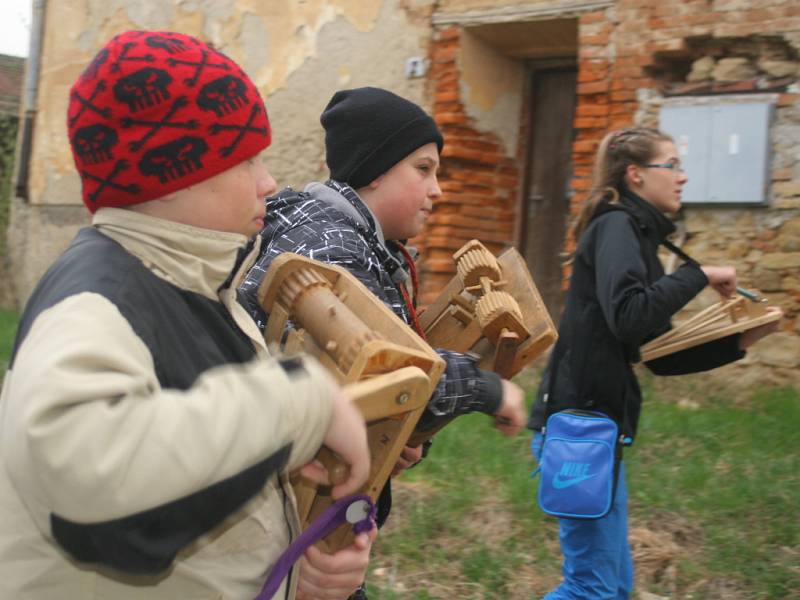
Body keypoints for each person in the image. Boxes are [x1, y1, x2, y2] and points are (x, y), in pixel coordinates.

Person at [0, 30, 375, 600]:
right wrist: (301, 402)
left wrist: (298, 572)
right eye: (246, 158)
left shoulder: (193, 281)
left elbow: (194, 477)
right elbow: (82, 469)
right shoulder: (96, 301)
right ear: (173, 175)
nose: (268, 182)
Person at [238, 87, 527, 599]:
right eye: (423, 169)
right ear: (375, 169)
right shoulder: (336, 247)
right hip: (290, 520)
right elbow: (392, 369)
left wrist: (397, 435)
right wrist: (490, 391)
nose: (437, 189)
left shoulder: (326, 230)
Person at [527, 126, 783, 599]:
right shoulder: (616, 226)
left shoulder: (636, 235)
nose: (683, 178)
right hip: (579, 431)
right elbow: (629, 315)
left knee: (614, 588)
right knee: (592, 589)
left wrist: (742, 339)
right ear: (636, 175)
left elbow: (656, 353)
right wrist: (698, 275)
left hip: (598, 431)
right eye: (673, 166)